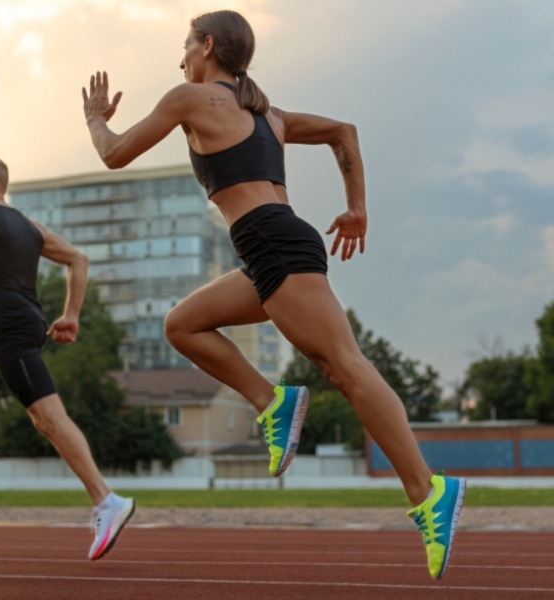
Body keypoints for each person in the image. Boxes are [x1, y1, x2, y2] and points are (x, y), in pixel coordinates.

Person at [82, 10, 465, 579]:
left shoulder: (190, 97)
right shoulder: (270, 116)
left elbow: (113, 154)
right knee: (182, 324)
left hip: (273, 244)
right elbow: (344, 132)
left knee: (346, 367)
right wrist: (356, 205)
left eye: (185, 47)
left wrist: (94, 118)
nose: (180, 58)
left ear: (207, 47)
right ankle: (272, 402)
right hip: (271, 248)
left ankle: (428, 491)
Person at [0, 156, 134, 561]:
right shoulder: (30, 227)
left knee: (49, 419)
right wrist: (70, 315)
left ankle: (107, 501)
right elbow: (79, 259)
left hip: (12, 332)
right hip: (10, 328)